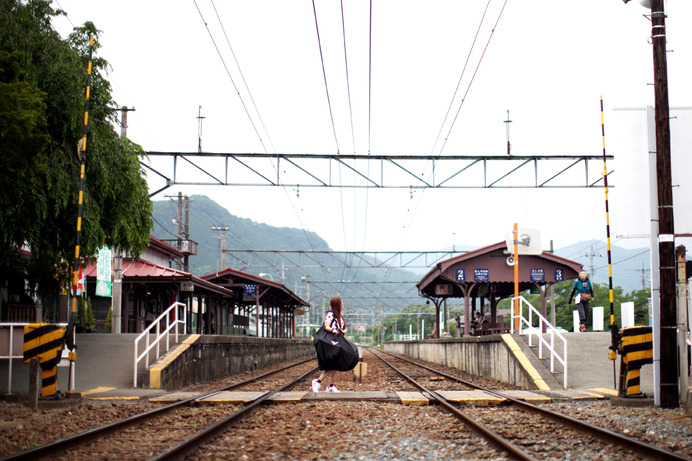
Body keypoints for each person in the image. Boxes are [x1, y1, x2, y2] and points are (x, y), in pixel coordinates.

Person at [312, 296, 347, 393]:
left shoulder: (340, 316)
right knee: (332, 365)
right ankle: (318, 381)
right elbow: (327, 326)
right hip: (330, 342)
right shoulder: (331, 314)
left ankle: (331, 386)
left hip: (338, 342)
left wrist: (342, 331)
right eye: (341, 303)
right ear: (337, 304)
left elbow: (345, 329)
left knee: (336, 366)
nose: (343, 304)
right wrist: (335, 330)